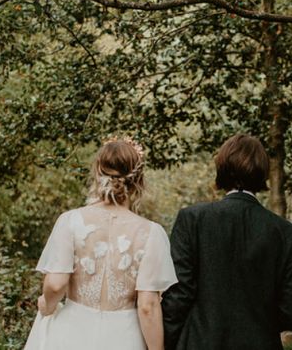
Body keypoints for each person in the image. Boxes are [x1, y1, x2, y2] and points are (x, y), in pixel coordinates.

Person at [24, 138, 178, 350]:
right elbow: (148, 306)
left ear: (98, 173)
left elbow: (56, 284)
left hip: (72, 334)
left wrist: (47, 305)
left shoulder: (71, 221)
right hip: (124, 338)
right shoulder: (151, 233)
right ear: (137, 180)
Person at [162, 134, 292, 350]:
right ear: (262, 173)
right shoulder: (286, 233)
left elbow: (178, 295)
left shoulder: (192, 219)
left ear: (221, 168)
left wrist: (168, 341)